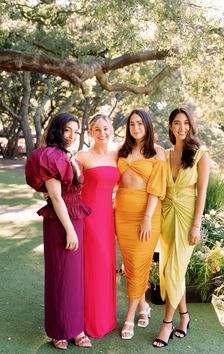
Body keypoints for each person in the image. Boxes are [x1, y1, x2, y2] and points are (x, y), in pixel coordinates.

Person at [25, 112, 92, 350]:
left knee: (74, 277)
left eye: (76, 130)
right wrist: (70, 231)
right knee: (59, 276)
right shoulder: (51, 155)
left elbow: (58, 189)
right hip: (61, 222)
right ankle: (58, 330)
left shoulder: (67, 154)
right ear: (57, 130)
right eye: (67, 130)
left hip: (75, 216)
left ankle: (76, 329)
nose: (72, 135)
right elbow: (55, 196)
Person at [153, 107, 210, 348]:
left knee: (172, 271)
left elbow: (202, 193)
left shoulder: (200, 154)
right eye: (177, 123)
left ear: (191, 125)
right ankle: (184, 316)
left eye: (186, 123)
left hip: (187, 217)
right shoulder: (164, 155)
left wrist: (196, 224)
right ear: (170, 126)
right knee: (170, 267)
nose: (182, 127)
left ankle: (167, 323)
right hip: (167, 213)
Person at [114, 108, 167, 340]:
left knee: (138, 262)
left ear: (147, 125)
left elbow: (157, 188)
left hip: (147, 214)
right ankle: (144, 306)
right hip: (122, 213)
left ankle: (129, 317)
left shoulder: (157, 152)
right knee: (131, 265)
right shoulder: (121, 151)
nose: (136, 128)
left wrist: (147, 217)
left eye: (140, 124)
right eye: (132, 124)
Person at [75, 114, 120, 338]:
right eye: (97, 129)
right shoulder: (82, 156)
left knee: (105, 266)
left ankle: (105, 318)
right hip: (88, 218)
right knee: (91, 266)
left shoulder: (117, 155)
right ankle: (86, 319)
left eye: (106, 129)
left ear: (111, 130)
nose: (102, 134)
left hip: (108, 218)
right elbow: (69, 184)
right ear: (90, 132)